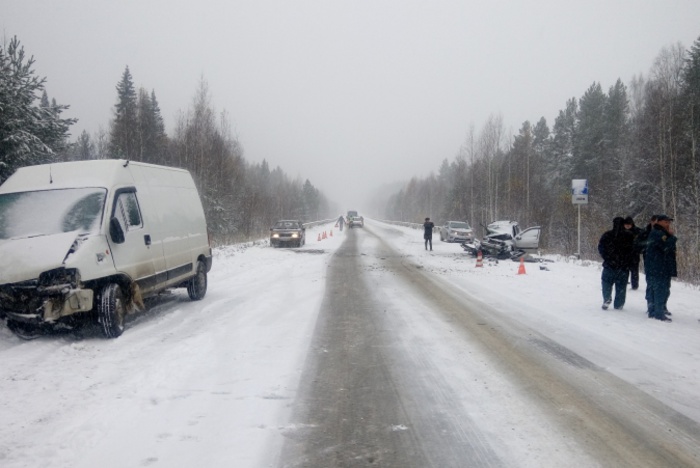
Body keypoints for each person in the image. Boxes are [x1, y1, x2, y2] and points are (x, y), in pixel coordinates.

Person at [644, 214, 677, 322]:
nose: (668, 224)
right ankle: (658, 313)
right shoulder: (657, 233)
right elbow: (665, 247)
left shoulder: (661, 233)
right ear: (659, 222)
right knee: (659, 290)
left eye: (669, 222)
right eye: (666, 222)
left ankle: (655, 311)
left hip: (661, 266)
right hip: (658, 267)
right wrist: (672, 237)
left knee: (661, 289)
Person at [597, 217, 635, 310]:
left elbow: (601, 248)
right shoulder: (629, 236)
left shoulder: (607, 235)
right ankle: (619, 304)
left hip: (609, 265)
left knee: (606, 282)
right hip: (623, 267)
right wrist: (627, 261)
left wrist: (607, 258)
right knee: (621, 286)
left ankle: (607, 298)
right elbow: (633, 250)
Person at [623, 216, 643, 290]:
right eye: (626, 224)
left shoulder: (637, 231)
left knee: (634, 270)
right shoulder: (620, 231)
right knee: (624, 270)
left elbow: (642, 240)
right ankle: (623, 283)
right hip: (623, 255)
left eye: (629, 224)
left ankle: (634, 285)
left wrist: (639, 249)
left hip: (634, 254)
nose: (628, 225)